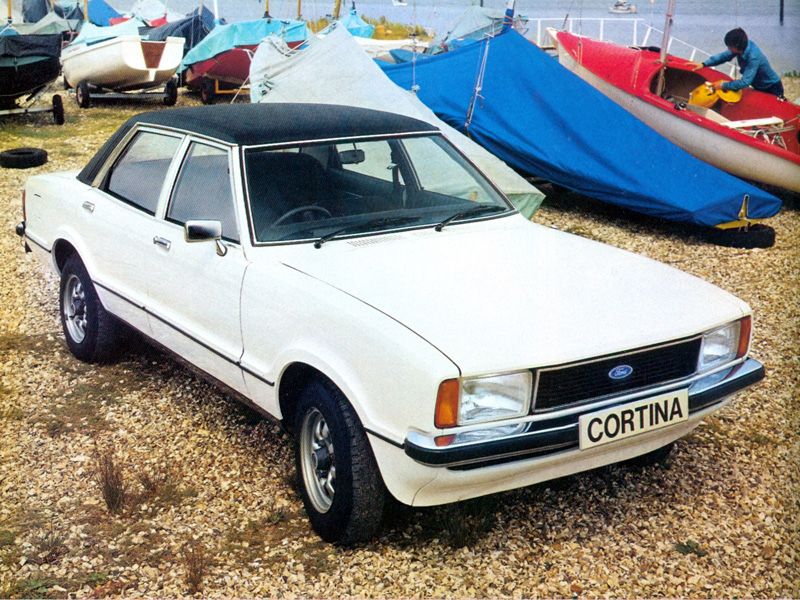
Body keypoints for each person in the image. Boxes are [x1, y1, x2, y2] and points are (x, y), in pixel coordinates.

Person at [689, 28, 785, 99]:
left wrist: (723, 85)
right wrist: (704, 64)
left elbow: (745, 82)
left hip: (772, 87)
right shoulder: (741, 47)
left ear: (736, 46)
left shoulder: (753, 57)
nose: (728, 49)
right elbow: (723, 56)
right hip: (758, 86)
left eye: (729, 46)